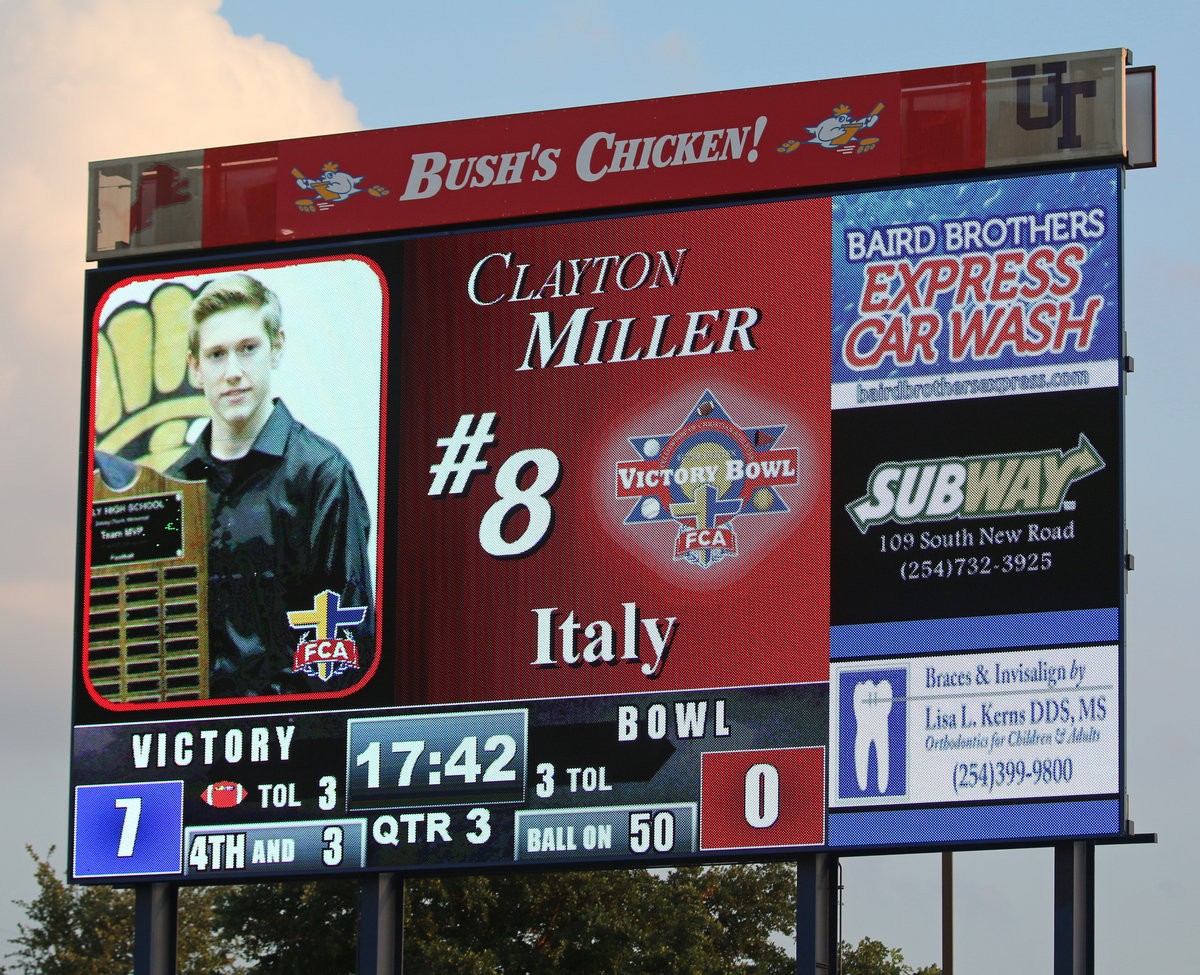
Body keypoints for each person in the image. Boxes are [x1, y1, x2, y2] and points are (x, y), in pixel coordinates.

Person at [167, 272, 374, 697]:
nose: (233, 372)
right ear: (195, 368)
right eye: (217, 355)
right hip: (190, 745)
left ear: (276, 347)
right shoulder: (175, 486)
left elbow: (344, 641)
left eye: (248, 349)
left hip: (291, 740)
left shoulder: (322, 474)